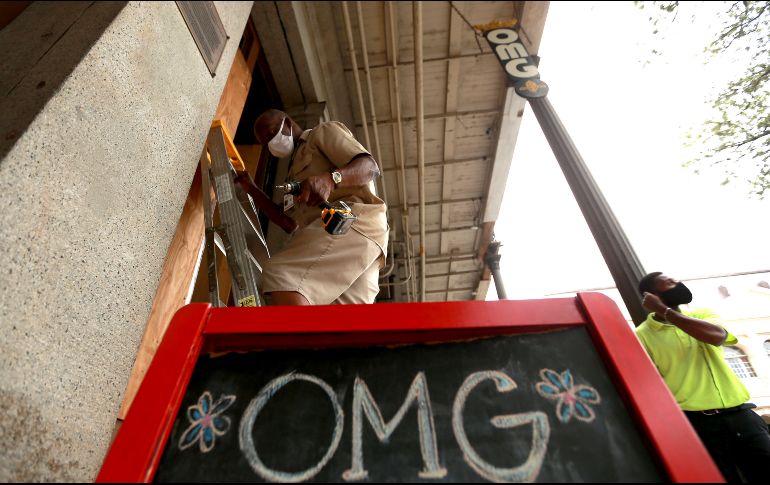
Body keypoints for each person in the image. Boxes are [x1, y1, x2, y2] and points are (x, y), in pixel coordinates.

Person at [636, 272, 770, 482]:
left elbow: (716, 336)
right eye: (670, 282)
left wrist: (665, 311)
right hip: (697, 424)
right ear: (651, 295)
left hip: (742, 415)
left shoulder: (703, 315)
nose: (678, 283)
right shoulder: (642, 335)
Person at [250, 109, 388, 306]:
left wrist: (332, 179)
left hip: (351, 222)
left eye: (272, 134)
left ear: (287, 123)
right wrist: (252, 190)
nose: (271, 143)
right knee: (346, 320)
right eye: (266, 143)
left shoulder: (322, 133)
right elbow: (288, 222)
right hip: (359, 243)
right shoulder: (292, 175)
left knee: (281, 274)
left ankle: (299, 336)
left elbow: (369, 167)